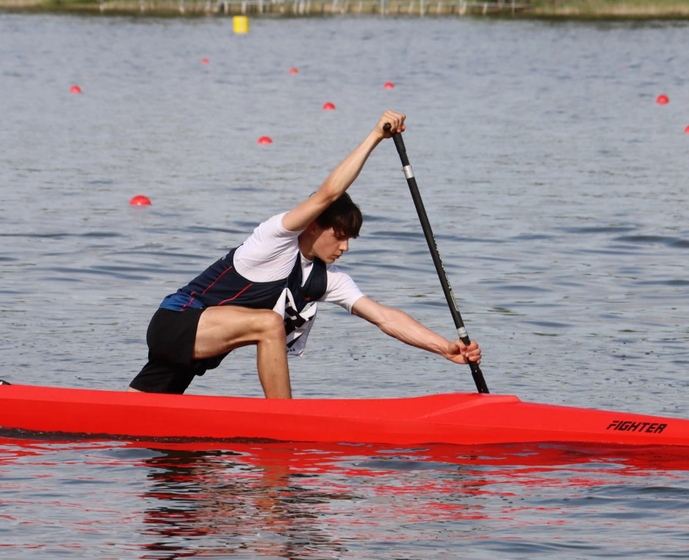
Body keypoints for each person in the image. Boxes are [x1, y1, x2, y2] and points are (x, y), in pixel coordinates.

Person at [129, 110, 481, 398]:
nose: (344, 248)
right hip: (177, 323)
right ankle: (283, 421)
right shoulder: (274, 239)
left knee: (141, 415)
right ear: (313, 225)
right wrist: (375, 136)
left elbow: (385, 318)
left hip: (200, 346)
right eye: (339, 237)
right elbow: (327, 194)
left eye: (350, 240)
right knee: (269, 324)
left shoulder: (325, 279)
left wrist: (444, 348)